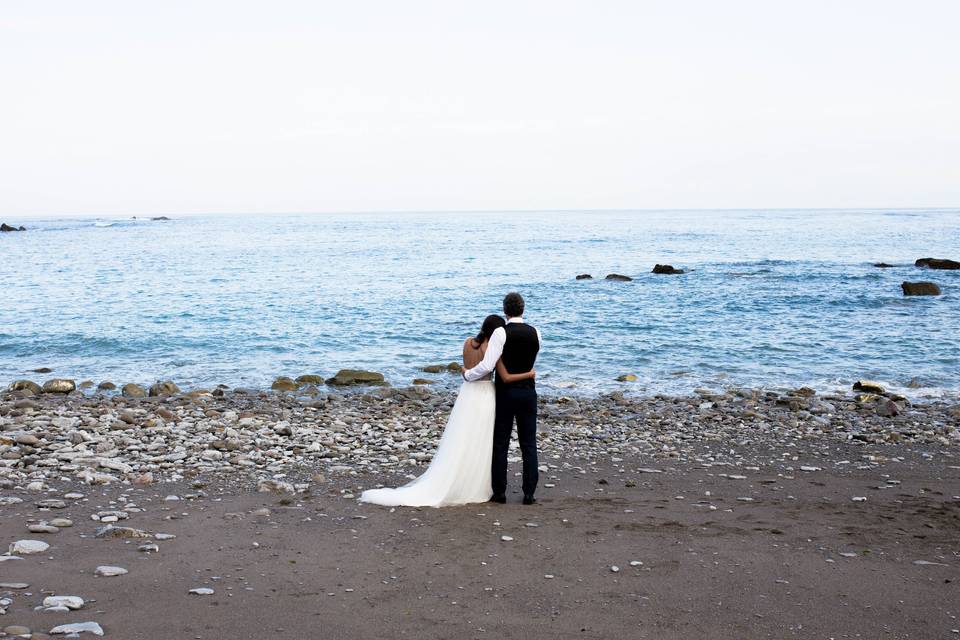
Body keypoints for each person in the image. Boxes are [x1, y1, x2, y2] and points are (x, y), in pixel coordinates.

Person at [359, 314, 535, 507]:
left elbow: (467, 365)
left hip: (467, 394)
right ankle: (479, 482)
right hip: (484, 393)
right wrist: (471, 375)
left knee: (462, 437)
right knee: (482, 441)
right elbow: (487, 368)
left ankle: (461, 477)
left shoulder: (468, 342)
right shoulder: (491, 348)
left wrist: (466, 374)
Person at [462, 292, 541, 505]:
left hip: (506, 393)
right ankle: (529, 493)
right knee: (529, 443)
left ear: (505, 310)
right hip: (528, 393)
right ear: (523, 309)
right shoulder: (536, 333)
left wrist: (468, 375)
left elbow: (488, 365)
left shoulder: (500, 332)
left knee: (501, 443)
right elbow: (531, 360)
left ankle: (500, 492)